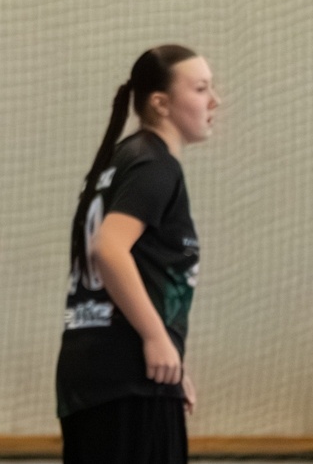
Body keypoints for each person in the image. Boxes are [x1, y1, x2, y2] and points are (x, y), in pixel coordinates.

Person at [55, 46, 219, 464]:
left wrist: (171, 357)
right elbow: (109, 249)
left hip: (93, 375)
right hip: (128, 379)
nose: (214, 101)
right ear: (160, 103)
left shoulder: (125, 158)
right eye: (201, 89)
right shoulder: (154, 164)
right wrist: (156, 338)